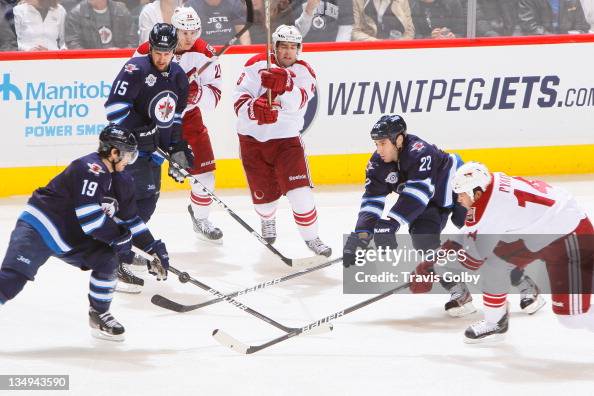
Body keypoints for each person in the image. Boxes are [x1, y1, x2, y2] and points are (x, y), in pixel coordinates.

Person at [342, 115, 544, 318]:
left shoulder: (419, 151)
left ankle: (525, 283)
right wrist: (362, 234)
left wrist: (392, 222)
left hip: (458, 191)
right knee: (424, 242)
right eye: (376, 144)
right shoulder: (377, 164)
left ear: (399, 139)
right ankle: (459, 291)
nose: (379, 150)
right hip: (430, 205)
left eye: (383, 143)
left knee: (479, 240)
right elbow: (372, 200)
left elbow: (418, 192)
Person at [0, 125, 169, 341]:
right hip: (41, 227)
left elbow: (131, 220)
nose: (130, 160)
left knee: (108, 260)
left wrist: (152, 247)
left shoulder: (123, 180)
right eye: (127, 154)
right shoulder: (90, 168)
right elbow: (90, 220)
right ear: (114, 152)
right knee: (11, 281)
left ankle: (99, 315)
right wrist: (120, 237)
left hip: (71, 236)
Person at [444, 162, 593, 342]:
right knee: (495, 264)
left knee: (572, 318)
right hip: (539, 230)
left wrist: (436, 266)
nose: (459, 199)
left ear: (476, 193)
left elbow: (473, 260)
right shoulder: (490, 184)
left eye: (461, 194)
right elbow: (469, 232)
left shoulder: (491, 208)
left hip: (569, 236)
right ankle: (495, 323)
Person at [104, 23, 191, 289]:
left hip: (155, 154)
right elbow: (115, 109)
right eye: (158, 51)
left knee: (148, 205)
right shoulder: (135, 69)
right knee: (132, 206)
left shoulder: (178, 75)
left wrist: (176, 146)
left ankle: (126, 249)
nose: (162, 57)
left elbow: (175, 116)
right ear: (150, 48)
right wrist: (141, 132)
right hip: (129, 153)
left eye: (167, 52)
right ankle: (114, 262)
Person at [232, 24, 331, 257]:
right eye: (283, 46)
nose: (288, 51)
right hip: (253, 141)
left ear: (299, 49)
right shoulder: (256, 64)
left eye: (293, 47)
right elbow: (238, 101)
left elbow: (300, 101)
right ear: (274, 46)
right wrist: (254, 108)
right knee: (263, 202)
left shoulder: (305, 71)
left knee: (301, 195)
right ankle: (268, 219)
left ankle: (312, 238)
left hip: (287, 143)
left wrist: (285, 86)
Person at [134, 6, 224, 242]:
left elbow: (215, 97)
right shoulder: (149, 49)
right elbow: (132, 84)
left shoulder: (206, 54)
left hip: (189, 119)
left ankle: (201, 218)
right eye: (184, 32)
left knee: (206, 174)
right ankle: (131, 228)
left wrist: (197, 94)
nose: (189, 38)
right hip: (153, 120)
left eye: (194, 32)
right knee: (143, 180)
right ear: (173, 28)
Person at [65, 0, 137, 49]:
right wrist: (97, 57)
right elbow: (73, 45)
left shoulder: (122, 11)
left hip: (119, 61)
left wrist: (119, 53)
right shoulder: (76, 14)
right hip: (90, 63)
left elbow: (133, 42)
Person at [519, 0, 591, 34]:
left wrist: (572, 35)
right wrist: (554, 38)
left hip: (567, 46)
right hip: (539, 46)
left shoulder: (572, 1)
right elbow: (528, 25)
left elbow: (582, 27)